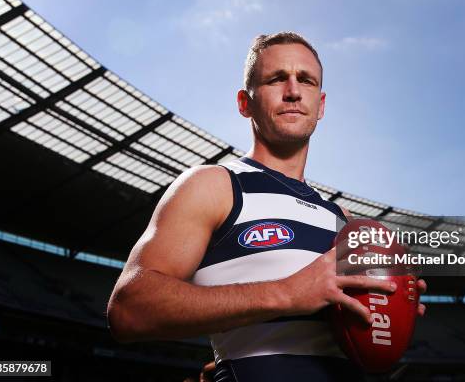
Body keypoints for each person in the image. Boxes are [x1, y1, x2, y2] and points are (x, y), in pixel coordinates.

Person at [107, 32, 427, 381]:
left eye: (305, 80)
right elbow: (129, 309)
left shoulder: (344, 221)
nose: (293, 91)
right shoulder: (214, 185)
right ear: (245, 102)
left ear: (320, 105)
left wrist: (393, 308)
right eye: (277, 79)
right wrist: (287, 293)